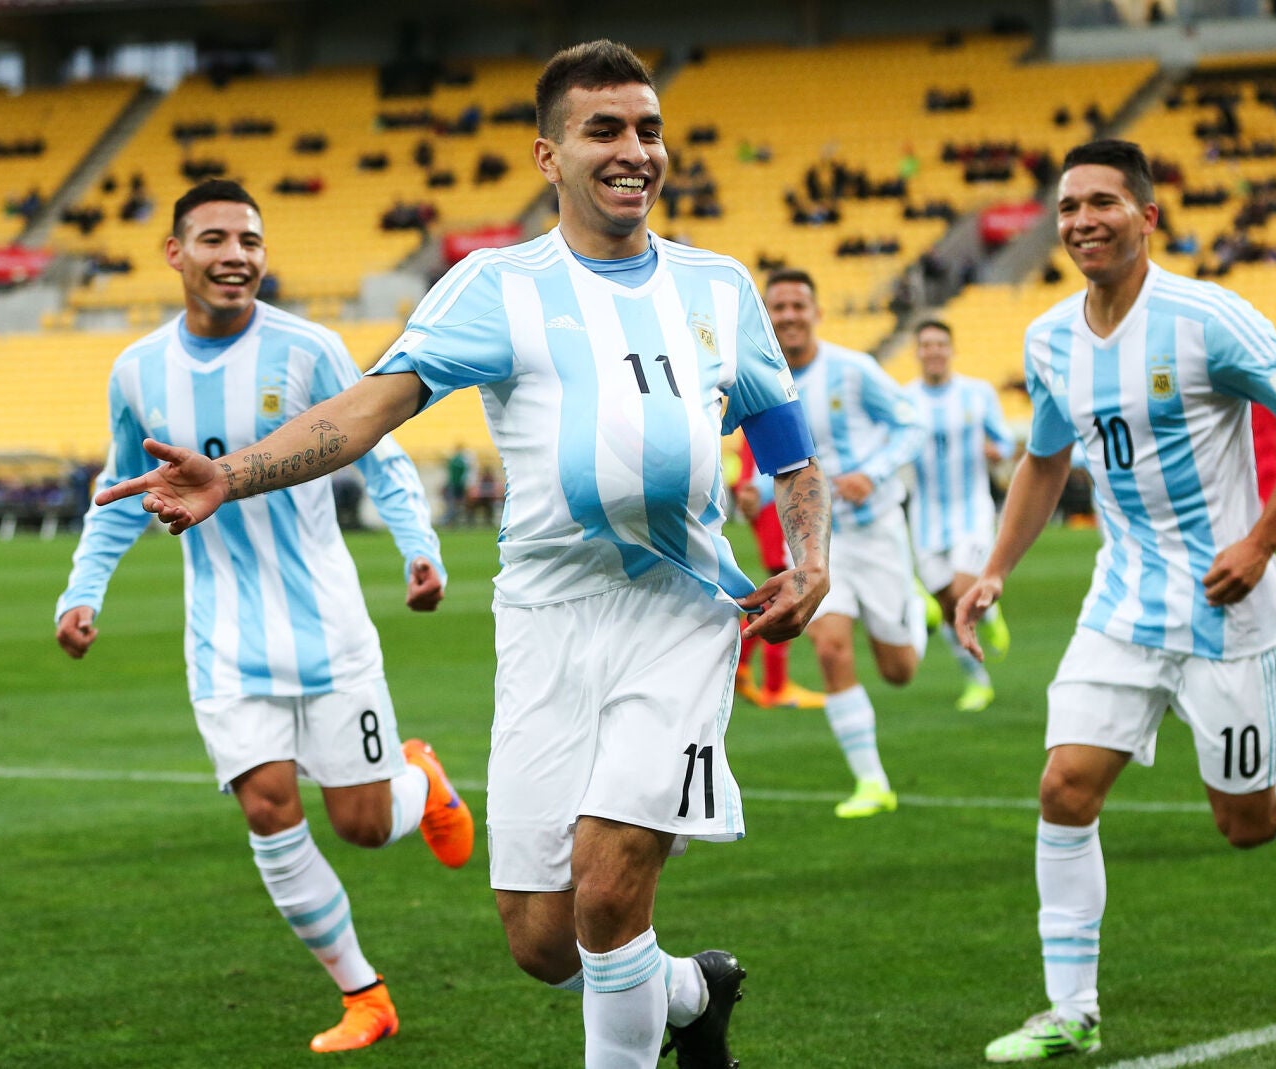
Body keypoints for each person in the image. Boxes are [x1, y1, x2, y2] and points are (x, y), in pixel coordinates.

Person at [95, 41, 831, 1069]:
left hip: (680, 613)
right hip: (543, 622)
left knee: (611, 890)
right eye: (604, 130)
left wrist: (810, 552)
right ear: (549, 154)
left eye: (649, 129)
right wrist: (237, 472)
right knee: (544, 938)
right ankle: (690, 993)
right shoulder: (494, 286)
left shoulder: (718, 288)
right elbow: (368, 410)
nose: (635, 151)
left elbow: (783, 436)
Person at [954, 140, 1276, 1063]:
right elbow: (1047, 459)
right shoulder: (1049, 338)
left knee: (1244, 821)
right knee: (1064, 789)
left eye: (1102, 203)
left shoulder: (1208, 318)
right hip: (1122, 602)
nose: (1083, 220)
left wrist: (1258, 543)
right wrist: (996, 565)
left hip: (1225, 607)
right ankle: (1071, 1009)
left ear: (1147, 215)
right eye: (1068, 207)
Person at [54, 180, 476, 1055]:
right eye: (214, 238)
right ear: (176, 253)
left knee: (362, 825)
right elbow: (121, 493)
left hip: (329, 630)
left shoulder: (310, 349)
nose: (235, 253)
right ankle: (366, 994)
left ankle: (423, 781)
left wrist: (417, 547)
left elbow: (383, 457)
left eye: (249, 238)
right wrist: (82, 590)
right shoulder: (137, 371)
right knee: (269, 807)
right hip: (224, 641)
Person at [762, 266, 925, 819]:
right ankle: (872, 782)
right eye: (777, 308)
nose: (788, 316)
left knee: (899, 670)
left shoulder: (854, 371)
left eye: (797, 306)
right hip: (815, 544)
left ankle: (916, 604)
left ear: (816, 313)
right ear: (767, 316)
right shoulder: (762, 384)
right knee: (829, 649)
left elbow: (911, 423)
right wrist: (748, 495)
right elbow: (771, 465)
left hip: (875, 533)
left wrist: (873, 473)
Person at [904, 318, 1016, 712]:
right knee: (951, 609)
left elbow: (1004, 438)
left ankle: (981, 650)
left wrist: (997, 450)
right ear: (917, 352)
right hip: (926, 518)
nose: (933, 350)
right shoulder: (905, 399)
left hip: (971, 512)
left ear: (951, 350)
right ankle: (978, 677)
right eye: (926, 344)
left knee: (960, 594)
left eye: (940, 343)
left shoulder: (977, 393)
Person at [729, 434, 827, 709]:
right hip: (774, 496)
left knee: (790, 583)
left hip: (769, 491)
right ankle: (772, 683)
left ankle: (743, 667)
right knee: (791, 584)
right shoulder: (785, 393)